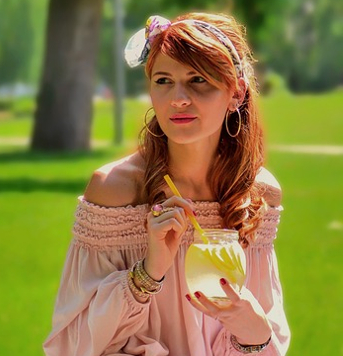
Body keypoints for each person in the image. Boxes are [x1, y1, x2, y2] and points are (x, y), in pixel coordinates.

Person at [42, 12, 290, 356]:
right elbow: (71, 345)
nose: (177, 98)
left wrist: (254, 330)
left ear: (236, 93)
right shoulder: (114, 190)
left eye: (197, 80)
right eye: (162, 80)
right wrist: (148, 272)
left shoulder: (257, 194)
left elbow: (265, 337)